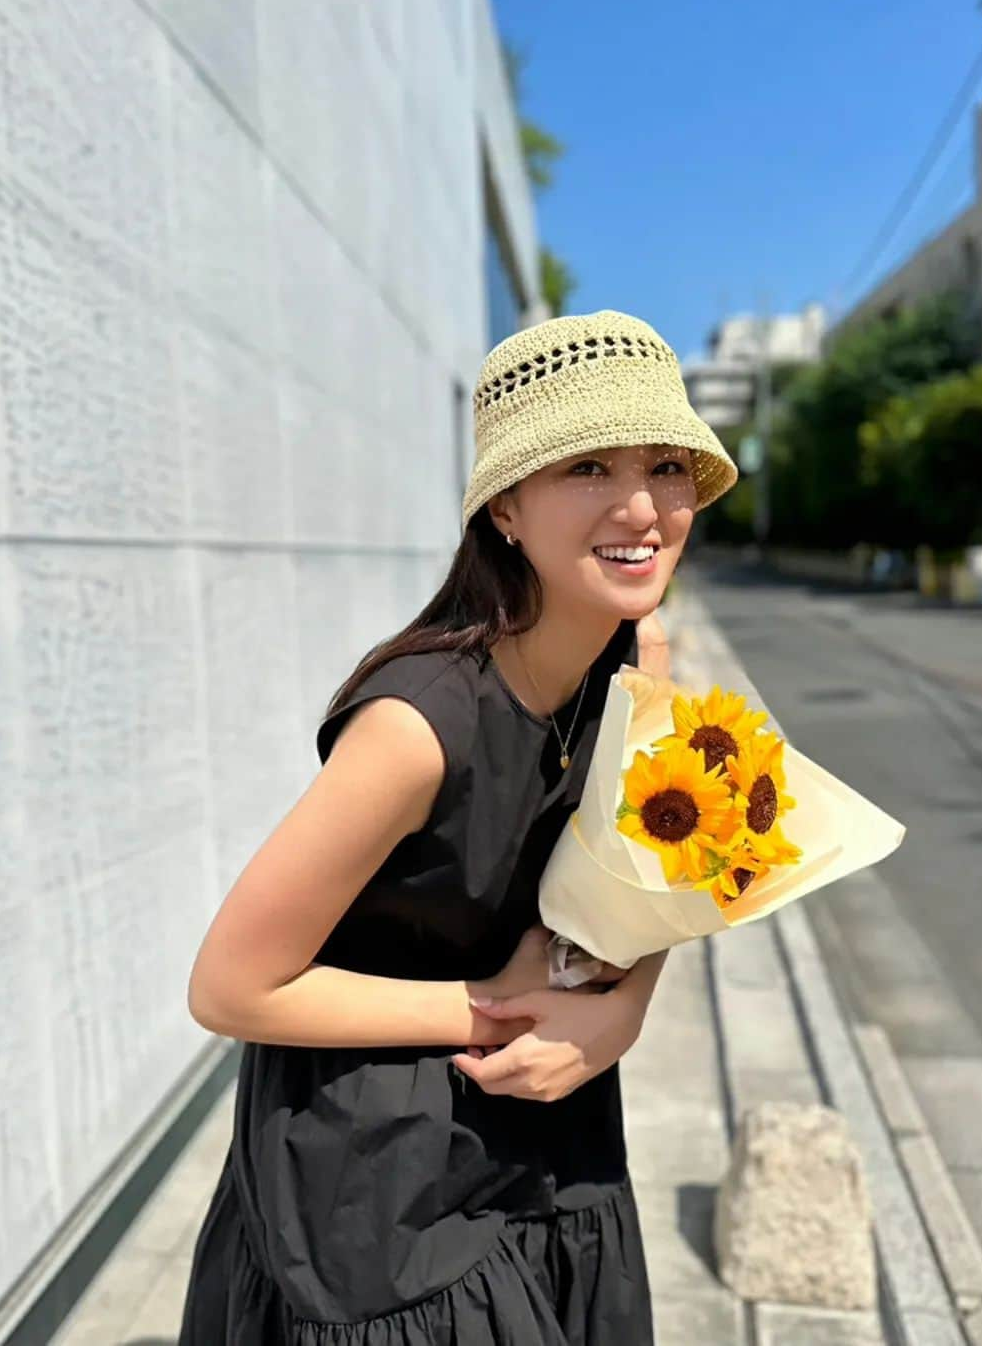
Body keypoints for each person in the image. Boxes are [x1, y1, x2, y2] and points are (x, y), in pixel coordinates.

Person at [177, 308, 738, 1344]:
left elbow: (678, 866)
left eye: (665, 465)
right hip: (376, 1194)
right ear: (507, 511)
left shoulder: (636, 658)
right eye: (585, 468)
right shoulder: (414, 726)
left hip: (548, 1138)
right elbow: (231, 986)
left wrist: (624, 1012)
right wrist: (492, 1009)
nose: (640, 505)